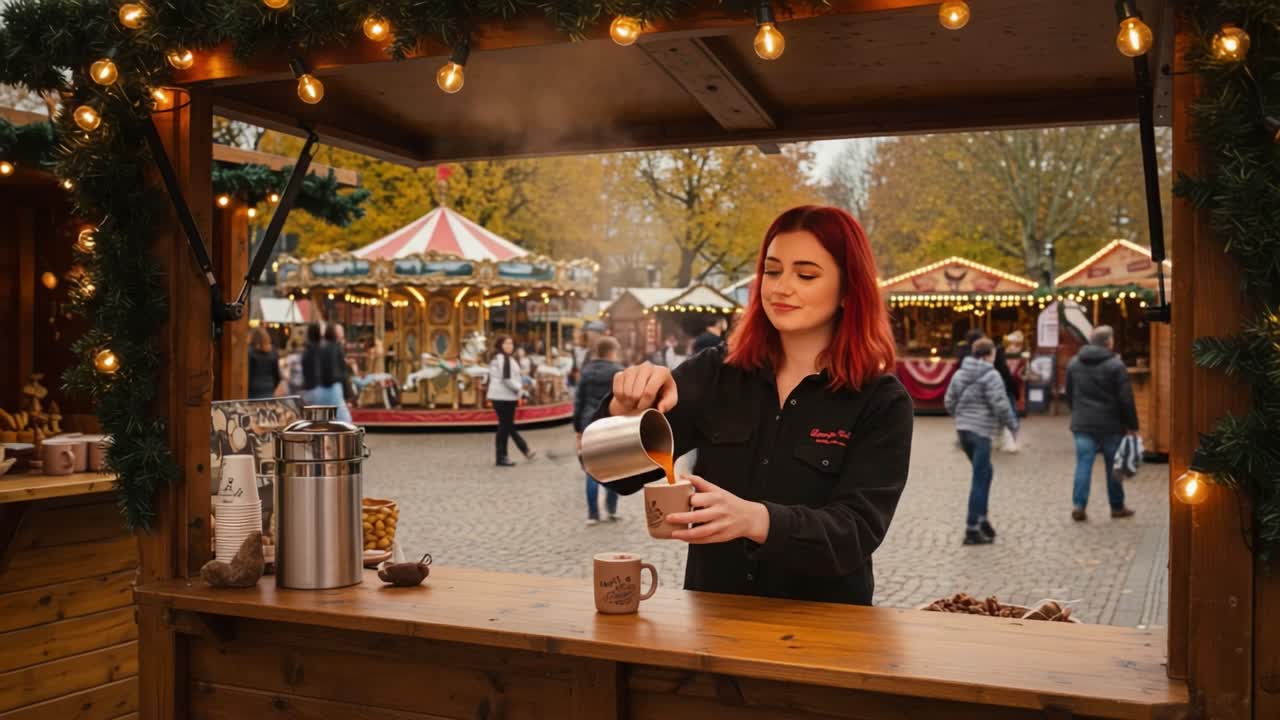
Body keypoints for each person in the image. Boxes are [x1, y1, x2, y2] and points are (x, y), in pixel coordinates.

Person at [590, 205, 912, 606]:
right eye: (773, 271)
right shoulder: (718, 372)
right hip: (713, 624)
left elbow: (856, 532)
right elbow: (613, 475)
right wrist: (624, 411)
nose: (781, 287)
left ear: (849, 289)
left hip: (825, 631)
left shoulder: (881, 400)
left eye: (806, 274)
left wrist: (757, 520)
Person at [945, 337, 1018, 545]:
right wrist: (1012, 425)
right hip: (981, 432)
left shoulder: (960, 373)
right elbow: (1001, 405)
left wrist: (960, 417)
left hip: (963, 431)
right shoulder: (992, 375)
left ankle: (983, 519)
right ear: (989, 355)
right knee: (980, 476)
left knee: (986, 472)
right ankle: (972, 528)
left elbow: (949, 400)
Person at [1065, 325, 1138, 522]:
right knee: (1113, 466)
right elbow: (1125, 399)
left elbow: (1069, 393)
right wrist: (1132, 425)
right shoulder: (1116, 365)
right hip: (1110, 423)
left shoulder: (1074, 363)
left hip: (1083, 422)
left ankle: (1079, 505)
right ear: (1108, 342)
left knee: (1083, 464)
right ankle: (1117, 506)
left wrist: (1077, 412)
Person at [574, 336, 624, 525]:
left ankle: (593, 514)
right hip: (612, 422)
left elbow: (579, 402)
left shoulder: (586, 372)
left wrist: (578, 429)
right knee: (615, 469)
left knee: (592, 470)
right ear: (612, 352)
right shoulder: (618, 372)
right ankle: (611, 509)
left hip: (589, 423)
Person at [487, 336, 536, 467]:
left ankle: (506, 454)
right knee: (505, 426)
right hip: (503, 396)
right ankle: (504, 455)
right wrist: (521, 391)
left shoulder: (502, 358)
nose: (509, 346)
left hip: (503, 396)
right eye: (506, 343)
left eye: (511, 343)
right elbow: (507, 379)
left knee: (506, 426)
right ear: (500, 345)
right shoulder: (504, 359)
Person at [302, 323, 352, 422]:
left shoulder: (309, 350)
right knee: (344, 421)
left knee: (320, 421)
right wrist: (348, 394)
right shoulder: (335, 348)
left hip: (314, 390)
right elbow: (342, 373)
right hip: (332, 388)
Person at [993, 331, 1022, 453]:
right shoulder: (1001, 367)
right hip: (1005, 391)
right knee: (1009, 415)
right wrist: (1015, 391)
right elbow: (1007, 377)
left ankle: (1000, 441)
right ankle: (1011, 442)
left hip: (1002, 391)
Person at [247, 327, 280, 399]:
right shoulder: (273, 352)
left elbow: (249, 374)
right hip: (269, 388)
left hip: (253, 390)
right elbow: (277, 375)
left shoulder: (249, 353)